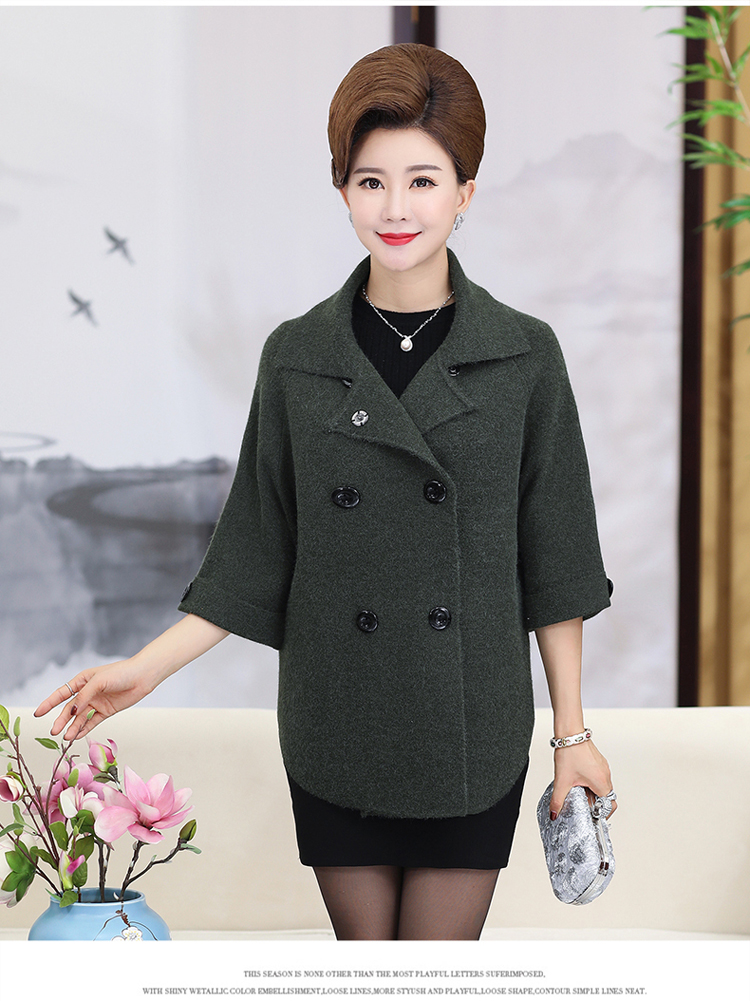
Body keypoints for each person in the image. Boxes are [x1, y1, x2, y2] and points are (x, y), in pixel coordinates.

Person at [35, 43, 616, 941]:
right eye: (371, 181)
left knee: (432, 980)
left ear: (466, 191)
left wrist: (571, 736)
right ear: (342, 189)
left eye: (423, 181)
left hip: (469, 724)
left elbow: (557, 561)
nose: (396, 208)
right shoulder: (298, 357)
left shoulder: (524, 355)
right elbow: (255, 551)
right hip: (339, 716)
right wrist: (141, 670)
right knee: (362, 976)